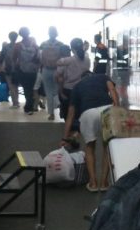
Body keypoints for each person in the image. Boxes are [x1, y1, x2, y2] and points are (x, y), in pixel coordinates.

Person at [62, 59, 117, 192]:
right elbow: (112, 90)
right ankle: (104, 182)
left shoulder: (77, 87)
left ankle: (93, 183)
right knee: (107, 147)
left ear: (81, 79)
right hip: (107, 109)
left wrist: (65, 138)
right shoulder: (102, 77)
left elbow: (70, 116)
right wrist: (117, 107)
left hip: (88, 113)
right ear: (92, 74)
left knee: (90, 146)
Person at [55, 37, 91, 122]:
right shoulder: (87, 59)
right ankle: (77, 129)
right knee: (79, 111)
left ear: (72, 49)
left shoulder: (68, 60)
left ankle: (70, 129)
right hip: (82, 89)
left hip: (69, 90)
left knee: (68, 112)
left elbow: (58, 68)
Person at [39, 26, 68, 120]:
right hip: (57, 69)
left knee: (48, 92)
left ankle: (51, 114)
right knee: (57, 91)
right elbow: (64, 58)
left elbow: (40, 58)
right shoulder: (61, 44)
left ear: (48, 33)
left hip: (46, 70)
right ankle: (59, 107)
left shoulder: (43, 44)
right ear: (56, 33)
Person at [12, 26, 40, 115]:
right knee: (30, 88)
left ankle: (28, 107)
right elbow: (38, 58)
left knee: (26, 88)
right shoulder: (35, 45)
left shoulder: (17, 45)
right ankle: (29, 107)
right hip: (33, 70)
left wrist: (16, 65)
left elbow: (14, 58)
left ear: (20, 34)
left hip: (22, 70)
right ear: (29, 33)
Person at [0, 31, 20, 108]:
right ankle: (17, 102)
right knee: (16, 86)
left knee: (11, 86)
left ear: (9, 37)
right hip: (18, 69)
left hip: (8, 69)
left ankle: (15, 103)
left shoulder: (6, 47)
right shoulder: (19, 46)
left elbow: (1, 58)